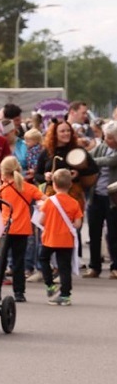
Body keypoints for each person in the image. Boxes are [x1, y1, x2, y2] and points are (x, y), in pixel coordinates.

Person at [0, 156, 44, 302]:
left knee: (0, 262)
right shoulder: (28, 188)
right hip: (22, 229)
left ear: (3, 172)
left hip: (4, 229)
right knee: (19, 262)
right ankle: (19, 292)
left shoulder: (2, 189)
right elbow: (44, 199)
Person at [38, 168, 83, 306]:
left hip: (50, 238)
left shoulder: (49, 202)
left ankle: (50, 284)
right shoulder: (74, 203)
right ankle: (65, 295)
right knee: (65, 267)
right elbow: (77, 224)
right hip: (66, 240)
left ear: (54, 184)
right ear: (70, 185)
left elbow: (41, 221)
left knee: (43, 259)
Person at [35, 119, 98, 208]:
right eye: (62, 131)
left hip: (74, 195)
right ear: (55, 134)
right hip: (52, 196)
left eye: (68, 130)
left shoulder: (77, 150)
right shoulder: (47, 152)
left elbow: (94, 169)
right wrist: (46, 177)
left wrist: (78, 173)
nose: (66, 133)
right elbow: (37, 175)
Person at [84, 121, 117, 278]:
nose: (106, 140)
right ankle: (94, 266)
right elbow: (88, 156)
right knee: (94, 232)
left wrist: (93, 162)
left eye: (110, 138)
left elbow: (112, 161)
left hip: (112, 198)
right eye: (105, 136)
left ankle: (115, 267)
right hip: (96, 196)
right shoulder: (102, 147)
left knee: (113, 234)